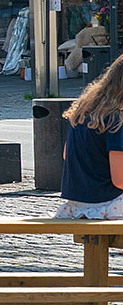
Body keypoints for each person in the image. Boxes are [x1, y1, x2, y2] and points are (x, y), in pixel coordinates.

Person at [57, 57, 123, 218]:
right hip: (108, 204)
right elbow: (119, 180)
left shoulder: (83, 112)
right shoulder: (116, 120)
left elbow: (66, 154)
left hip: (76, 204)